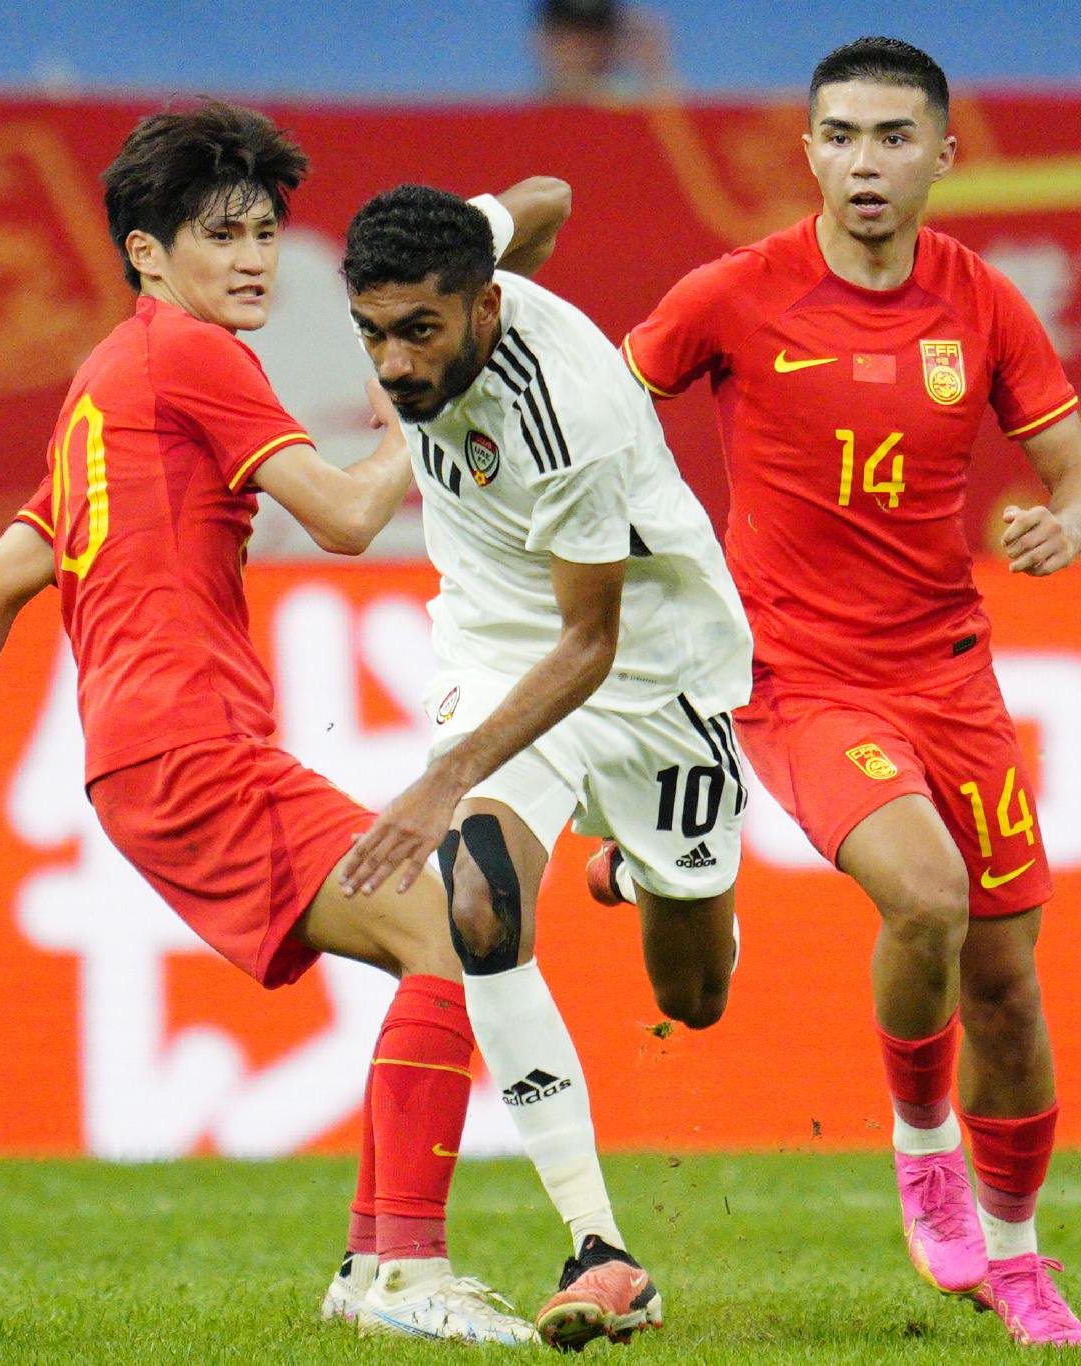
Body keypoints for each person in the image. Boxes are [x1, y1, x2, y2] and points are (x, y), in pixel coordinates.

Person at [0, 101, 565, 1347]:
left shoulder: (101, 384)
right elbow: (344, 519)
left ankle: (376, 1266)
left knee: (447, 931)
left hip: (150, 760)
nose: (252, 257)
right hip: (185, 752)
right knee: (451, 934)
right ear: (145, 254)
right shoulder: (187, 356)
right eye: (220, 232)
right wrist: (434, 386)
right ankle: (399, 1269)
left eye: (266, 231)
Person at [621, 36, 1081, 1349]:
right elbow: (606, 414)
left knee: (1007, 980)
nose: (865, 161)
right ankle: (920, 1143)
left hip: (950, 672)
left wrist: (1070, 522)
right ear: (810, 153)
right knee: (930, 895)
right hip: (797, 678)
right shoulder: (733, 296)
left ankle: (1016, 1257)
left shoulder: (986, 304)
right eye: (840, 135)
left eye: (894, 136)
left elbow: (1080, 474)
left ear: (945, 153)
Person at [339, 182, 753, 1350]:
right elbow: (549, 195)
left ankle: (632, 873)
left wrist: (431, 781)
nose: (394, 363)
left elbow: (589, 644)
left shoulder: (561, 412)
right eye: (371, 332)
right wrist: (457, 785)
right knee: (479, 901)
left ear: (483, 309)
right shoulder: (458, 261)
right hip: (490, 636)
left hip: (651, 669)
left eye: (419, 331)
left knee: (694, 994)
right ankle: (599, 1245)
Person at [533, 0, 673, 103]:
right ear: (543, 39)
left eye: (595, 32)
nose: (582, 46)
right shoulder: (522, 119)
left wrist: (656, 72)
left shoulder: (632, 109)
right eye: (569, 33)